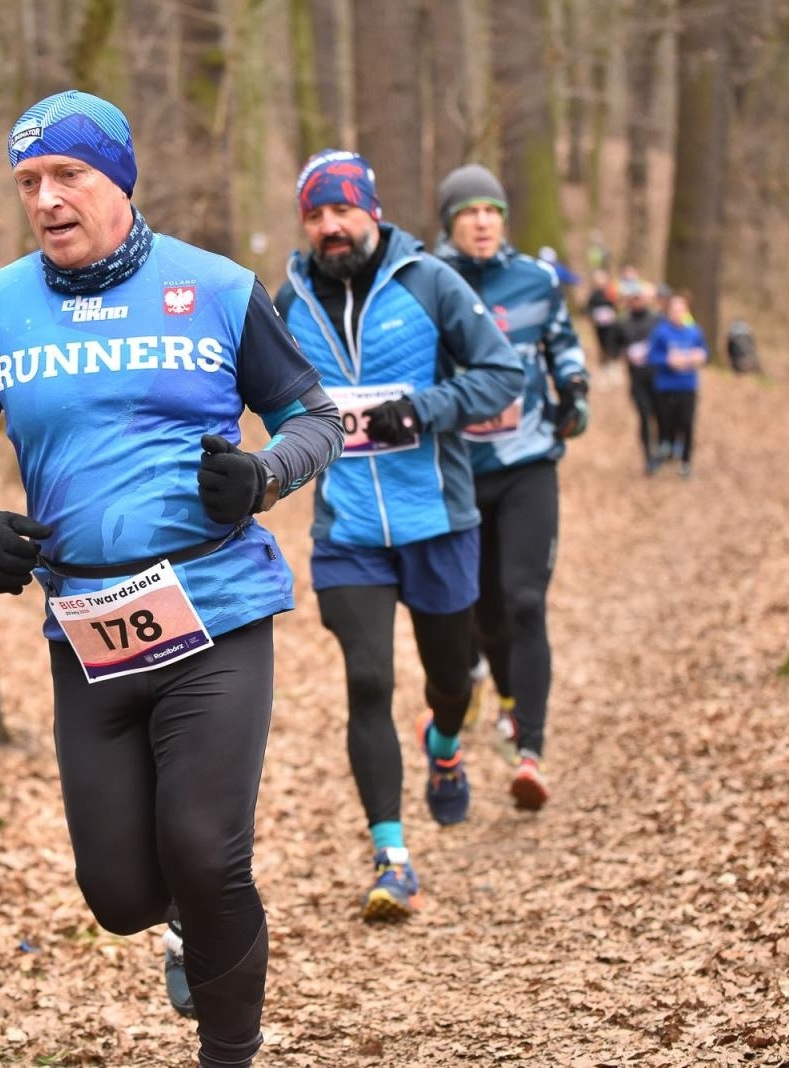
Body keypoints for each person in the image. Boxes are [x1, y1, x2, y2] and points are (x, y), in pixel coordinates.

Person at [0, 91, 342, 1067]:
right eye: (28, 182)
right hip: (87, 625)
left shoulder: (219, 289)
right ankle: (184, 920)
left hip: (216, 607)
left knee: (205, 849)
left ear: (118, 179)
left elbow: (313, 419)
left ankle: (228, 1049)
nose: (46, 199)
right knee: (117, 896)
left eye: (68, 175)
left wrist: (262, 475)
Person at [273, 150, 523, 920]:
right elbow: (265, 400)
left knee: (450, 679)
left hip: (437, 519)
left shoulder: (429, 282)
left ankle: (444, 744)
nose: (330, 227)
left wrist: (422, 408)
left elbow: (502, 375)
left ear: (372, 212)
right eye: (315, 214)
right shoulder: (288, 304)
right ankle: (392, 859)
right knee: (368, 681)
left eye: (342, 211)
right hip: (347, 531)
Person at [433, 163, 589, 811]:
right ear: (449, 222)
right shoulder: (428, 283)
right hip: (460, 468)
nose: (482, 222)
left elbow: (563, 344)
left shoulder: (536, 280)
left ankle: (531, 750)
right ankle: (499, 693)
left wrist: (574, 390)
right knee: (483, 612)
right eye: (468, 212)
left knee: (526, 601)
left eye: (491, 211)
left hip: (528, 462)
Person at [647, 291, 708, 478]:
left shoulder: (694, 331)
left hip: (688, 386)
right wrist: (668, 360)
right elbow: (651, 356)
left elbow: (704, 352)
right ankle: (664, 449)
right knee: (666, 423)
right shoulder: (660, 332)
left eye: (681, 310)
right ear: (669, 312)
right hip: (666, 386)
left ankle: (686, 462)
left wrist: (699, 356)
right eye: (674, 310)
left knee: (687, 424)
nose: (678, 314)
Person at [614, 282, 663, 473]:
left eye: (639, 298)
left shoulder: (657, 319)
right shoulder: (622, 322)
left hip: (658, 378)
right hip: (637, 380)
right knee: (644, 416)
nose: (636, 301)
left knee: (660, 416)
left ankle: (662, 449)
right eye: (633, 298)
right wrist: (626, 353)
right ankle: (648, 456)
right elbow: (615, 347)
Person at [584, 269, 621, 369]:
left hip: (611, 323)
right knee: (602, 342)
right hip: (599, 324)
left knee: (611, 340)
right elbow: (588, 308)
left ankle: (613, 359)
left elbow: (616, 304)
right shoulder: (593, 295)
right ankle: (605, 359)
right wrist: (592, 316)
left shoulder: (610, 292)